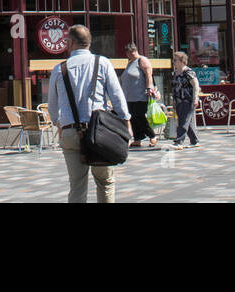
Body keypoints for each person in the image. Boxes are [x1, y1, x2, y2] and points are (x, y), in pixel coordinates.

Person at [46, 24, 131, 204]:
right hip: (99, 131)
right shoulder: (102, 63)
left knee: (76, 185)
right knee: (105, 182)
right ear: (89, 43)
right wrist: (126, 123)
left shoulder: (59, 69)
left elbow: (52, 106)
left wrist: (58, 124)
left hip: (70, 131)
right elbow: (117, 97)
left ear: (70, 42)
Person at [119, 42, 158, 148]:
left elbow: (148, 74)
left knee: (140, 116)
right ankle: (138, 138)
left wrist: (149, 88)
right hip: (129, 96)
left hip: (140, 95)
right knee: (133, 117)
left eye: (128, 52)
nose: (127, 54)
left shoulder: (142, 60)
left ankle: (152, 135)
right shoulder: (130, 62)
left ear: (133, 51)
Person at [169, 51, 201, 150]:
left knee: (183, 121)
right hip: (178, 100)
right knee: (187, 121)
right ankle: (194, 141)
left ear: (182, 61)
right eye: (173, 60)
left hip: (187, 100)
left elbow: (195, 85)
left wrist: (195, 98)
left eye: (175, 60)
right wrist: (173, 101)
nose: (173, 62)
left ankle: (179, 142)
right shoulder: (176, 72)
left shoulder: (188, 72)